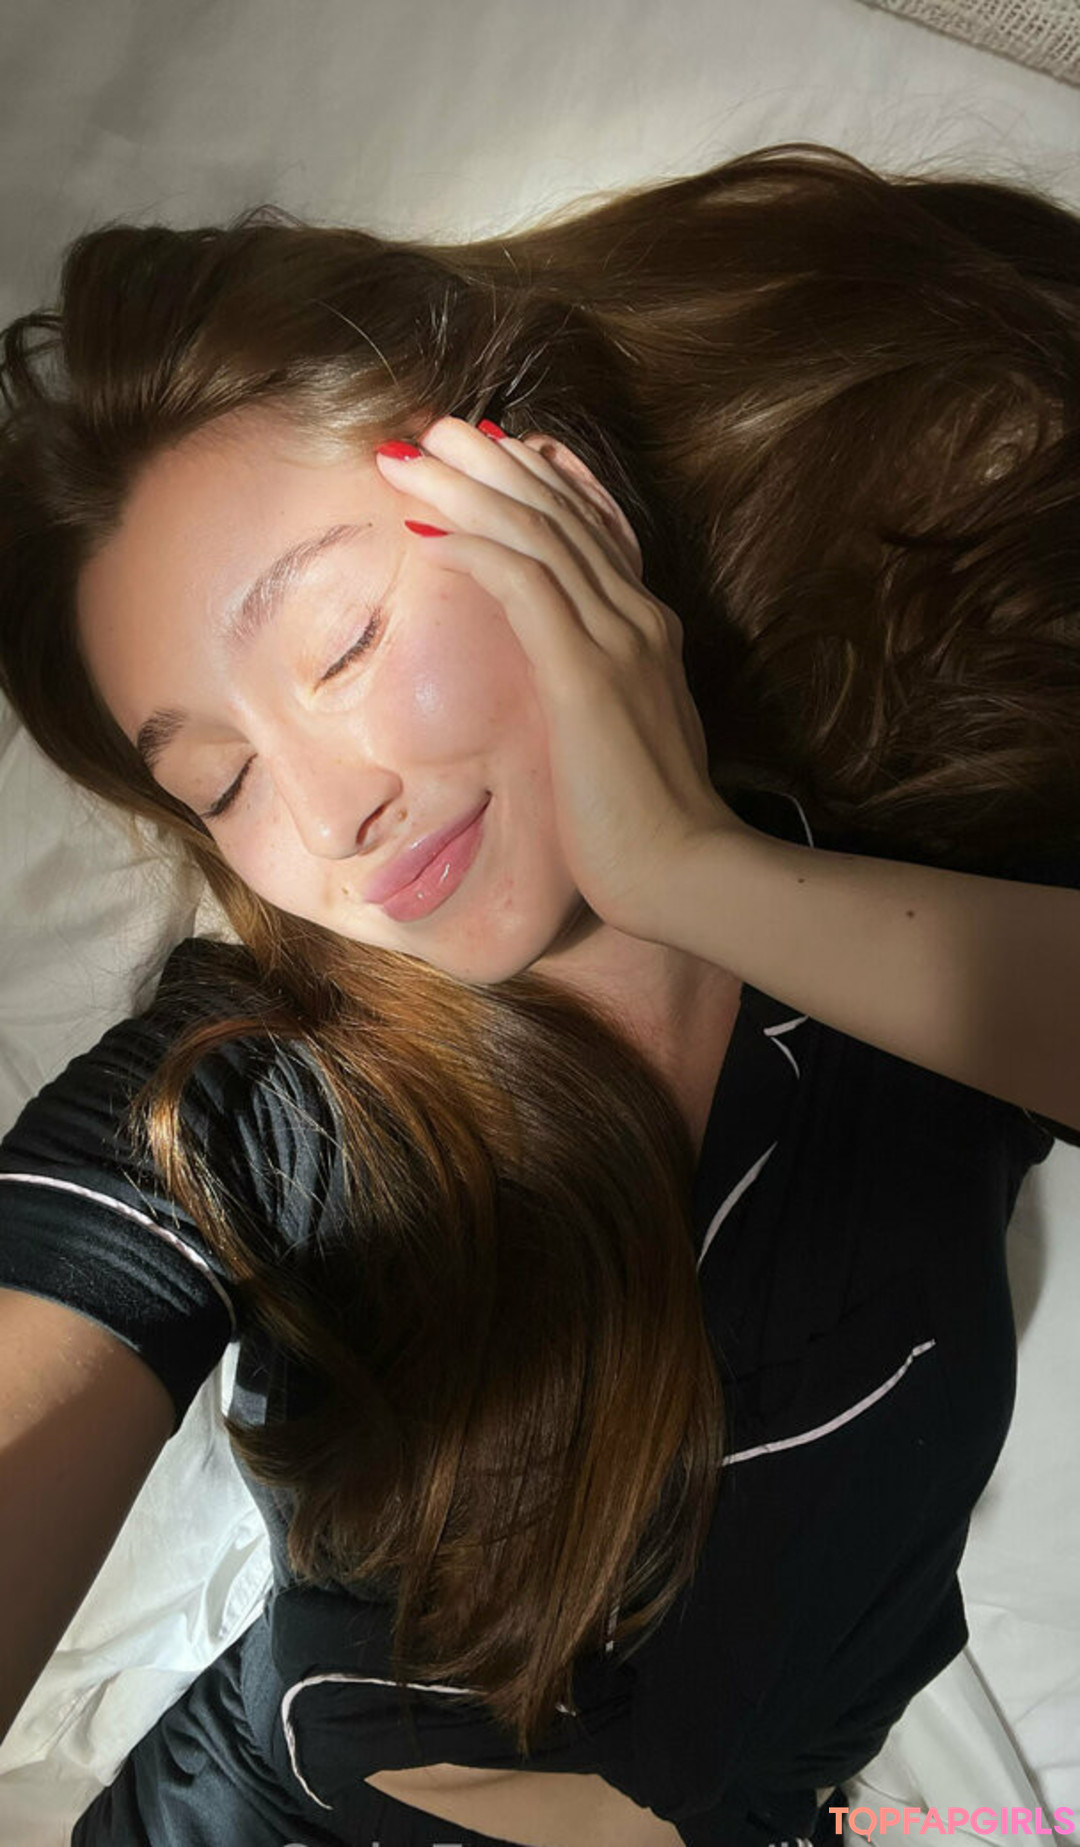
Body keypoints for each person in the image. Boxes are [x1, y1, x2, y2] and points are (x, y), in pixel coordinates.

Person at [0, 140, 1077, 1847]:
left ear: (553, 499)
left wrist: (694, 872)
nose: (327, 816)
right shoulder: (251, 1098)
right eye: (220, 782)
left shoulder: (899, 924)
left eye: (343, 640)